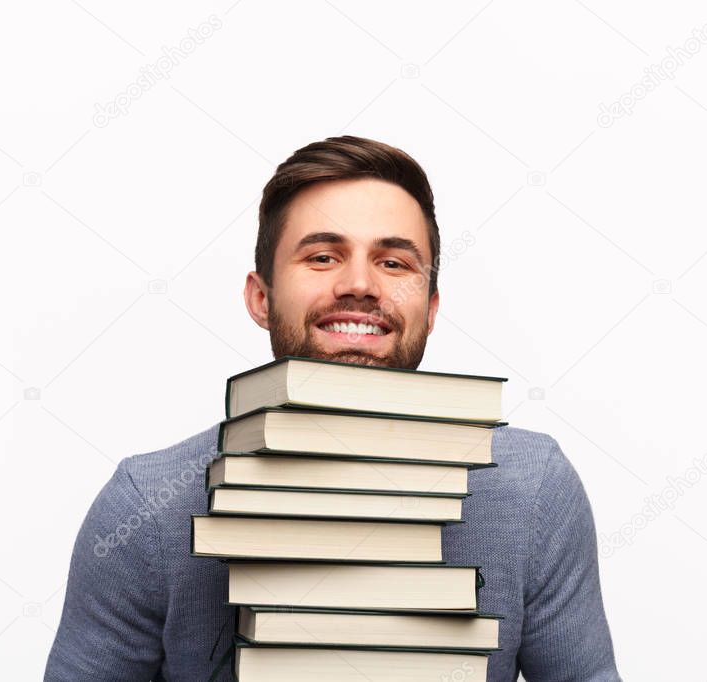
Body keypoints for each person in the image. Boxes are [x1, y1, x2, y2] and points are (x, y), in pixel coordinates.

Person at [44, 135, 621, 681]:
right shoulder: (146, 507)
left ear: (431, 305)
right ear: (261, 298)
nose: (360, 284)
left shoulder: (535, 489)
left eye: (395, 263)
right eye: (322, 256)